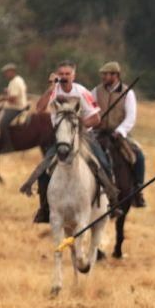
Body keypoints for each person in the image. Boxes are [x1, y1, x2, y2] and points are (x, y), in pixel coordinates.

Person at [28, 60, 119, 223]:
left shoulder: (82, 92)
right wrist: (50, 88)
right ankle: (44, 208)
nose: (64, 77)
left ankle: (112, 203)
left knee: (103, 163)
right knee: (42, 170)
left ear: (73, 75)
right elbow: (39, 108)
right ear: (57, 75)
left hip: (83, 136)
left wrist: (77, 126)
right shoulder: (53, 92)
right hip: (60, 138)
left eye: (67, 74)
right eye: (61, 74)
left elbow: (96, 118)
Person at [92, 61, 147, 207]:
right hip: (99, 133)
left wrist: (120, 131)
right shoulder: (95, 91)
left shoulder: (128, 93)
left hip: (120, 134)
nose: (103, 77)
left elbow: (131, 117)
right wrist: (92, 125)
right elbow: (89, 111)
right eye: (102, 74)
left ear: (115, 75)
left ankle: (138, 189)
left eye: (106, 74)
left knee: (139, 155)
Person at [0, 63, 28, 152]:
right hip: (15, 106)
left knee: (2, 124)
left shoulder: (16, 82)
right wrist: (8, 90)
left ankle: (8, 146)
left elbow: (13, 99)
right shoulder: (17, 80)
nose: (5, 75)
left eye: (6, 73)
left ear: (12, 72)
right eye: (5, 73)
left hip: (16, 108)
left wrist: (2, 98)